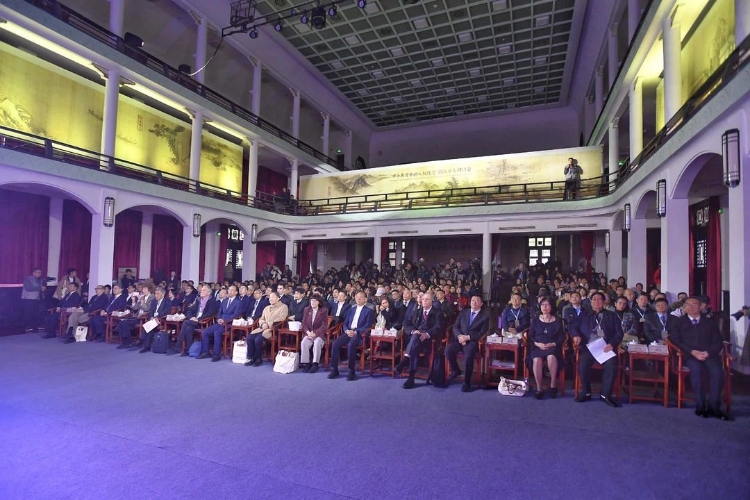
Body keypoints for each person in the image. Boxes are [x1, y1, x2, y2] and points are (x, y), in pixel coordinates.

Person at [670, 297, 729, 420]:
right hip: (690, 355)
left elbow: (718, 341)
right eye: (688, 304)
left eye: (694, 304)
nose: (691, 307)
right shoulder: (679, 322)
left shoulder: (710, 323)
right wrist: (692, 351)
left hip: (709, 355)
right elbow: (675, 340)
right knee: (697, 372)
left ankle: (714, 407)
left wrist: (708, 352)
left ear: (701, 306)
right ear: (684, 307)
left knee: (718, 372)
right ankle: (701, 406)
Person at [571, 291, 623, 407]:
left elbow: (619, 333)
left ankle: (605, 395)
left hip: (606, 347)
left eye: (599, 299)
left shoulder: (612, 316)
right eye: (594, 299)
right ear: (590, 302)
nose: (596, 301)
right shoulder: (584, 315)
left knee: (612, 365)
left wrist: (612, 344)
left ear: (604, 302)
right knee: (583, 364)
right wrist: (576, 335)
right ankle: (586, 392)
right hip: (589, 348)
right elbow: (573, 326)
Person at [395, 292, 445, 389]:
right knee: (415, 339)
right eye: (423, 299)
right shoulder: (417, 311)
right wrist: (413, 331)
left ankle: (408, 370)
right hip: (416, 340)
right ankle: (410, 376)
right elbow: (406, 323)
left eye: (427, 299)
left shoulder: (438, 312)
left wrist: (427, 334)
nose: (424, 301)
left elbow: (439, 327)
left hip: (430, 341)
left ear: (432, 301)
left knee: (414, 343)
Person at [328, 291, 376, 381]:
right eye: (357, 297)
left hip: (359, 334)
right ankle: (334, 369)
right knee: (335, 344)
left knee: (351, 345)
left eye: (361, 297)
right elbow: (345, 323)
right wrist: (346, 330)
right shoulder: (351, 309)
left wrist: (356, 331)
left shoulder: (369, 311)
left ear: (365, 299)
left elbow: (368, 326)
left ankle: (351, 371)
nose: (358, 298)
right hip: (348, 332)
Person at [445, 294, 489, 392]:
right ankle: (455, 369)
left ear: (481, 304)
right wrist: (460, 336)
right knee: (448, 350)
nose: (474, 302)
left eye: (477, 301)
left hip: (472, 342)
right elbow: (455, 326)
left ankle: (466, 382)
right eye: (472, 300)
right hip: (459, 340)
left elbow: (482, 332)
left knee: (468, 356)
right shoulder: (463, 313)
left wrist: (467, 337)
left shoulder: (484, 317)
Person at [527, 297, 566, 399]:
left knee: (551, 357)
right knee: (536, 360)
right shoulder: (535, 320)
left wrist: (552, 344)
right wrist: (537, 344)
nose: (545, 307)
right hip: (537, 346)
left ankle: (553, 385)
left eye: (547, 304)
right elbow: (530, 336)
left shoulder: (557, 320)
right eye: (542, 305)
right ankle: (539, 388)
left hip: (552, 346)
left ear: (551, 306)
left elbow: (561, 337)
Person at [244, 291, 289, 366]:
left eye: (273, 297)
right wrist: (263, 324)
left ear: (278, 298)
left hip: (273, 329)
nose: (271, 299)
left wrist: (268, 324)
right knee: (249, 338)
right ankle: (251, 358)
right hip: (262, 328)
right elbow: (261, 318)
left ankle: (258, 359)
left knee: (258, 340)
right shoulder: (267, 308)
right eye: (270, 297)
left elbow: (282, 318)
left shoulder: (283, 307)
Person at [198, 285, 241, 362]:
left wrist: (225, 320)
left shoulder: (238, 302)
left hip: (230, 324)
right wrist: (219, 319)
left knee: (217, 332)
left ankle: (216, 354)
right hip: (220, 322)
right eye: (229, 290)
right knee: (205, 332)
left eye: (232, 290)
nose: (230, 291)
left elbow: (236, 314)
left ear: (236, 292)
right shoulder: (225, 300)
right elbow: (219, 312)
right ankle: (205, 352)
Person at [172, 284, 218, 355]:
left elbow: (210, 313)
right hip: (194, 321)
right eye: (201, 290)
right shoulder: (198, 299)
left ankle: (178, 344)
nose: (201, 291)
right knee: (188, 328)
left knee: (186, 322)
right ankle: (188, 349)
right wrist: (191, 317)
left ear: (208, 293)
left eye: (204, 290)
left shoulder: (212, 301)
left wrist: (198, 319)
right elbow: (190, 310)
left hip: (204, 322)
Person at [115, 284, 155, 349]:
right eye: (143, 289)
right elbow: (135, 308)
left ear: (149, 290)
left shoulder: (152, 298)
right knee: (123, 321)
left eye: (145, 289)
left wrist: (142, 302)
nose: (143, 290)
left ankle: (127, 342)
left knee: (124, 322)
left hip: (145, 318)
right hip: (137, 317)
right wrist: (133, 301)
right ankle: (126, 342)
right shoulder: (142, 297)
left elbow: (147, 309)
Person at [136, 286, 172, 353]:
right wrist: (151, 317)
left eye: (158, 294)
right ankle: (146, 346)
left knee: (149, 326)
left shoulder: (167, 301)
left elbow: (166, 312)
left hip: (162, 320)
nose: (156, 295)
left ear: (163, 294)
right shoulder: (154, 301)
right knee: (150, 328)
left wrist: (157, 317)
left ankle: (141, 340)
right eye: (155, 294)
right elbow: (151, 311)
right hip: (153, 320)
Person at [299, 295, 328, 373]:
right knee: (304, 343)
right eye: (312, 301)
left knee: (317, 343)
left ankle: (315, 364)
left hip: (319, 334)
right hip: (309, 333)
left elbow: (324, 325)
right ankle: (307, 363)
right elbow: (304, 323)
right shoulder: (307, 309)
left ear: (318, 302)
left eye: (315, 301)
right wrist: (308, 332)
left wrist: (315, 333)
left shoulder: (324, 310)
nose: (313, 302)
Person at [21, 268, 46, 332]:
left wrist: (43, 288)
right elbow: (28, 288)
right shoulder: (28, 279)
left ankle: (36, 326)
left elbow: (41, 289)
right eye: (38, 272)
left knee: (36, 313)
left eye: (40, 273)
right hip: (29, 298)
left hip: (37, 299)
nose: (40, 274)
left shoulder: (40, 280)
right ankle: (27, 326)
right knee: (28, 313)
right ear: (34, 273)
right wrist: (40, 288)